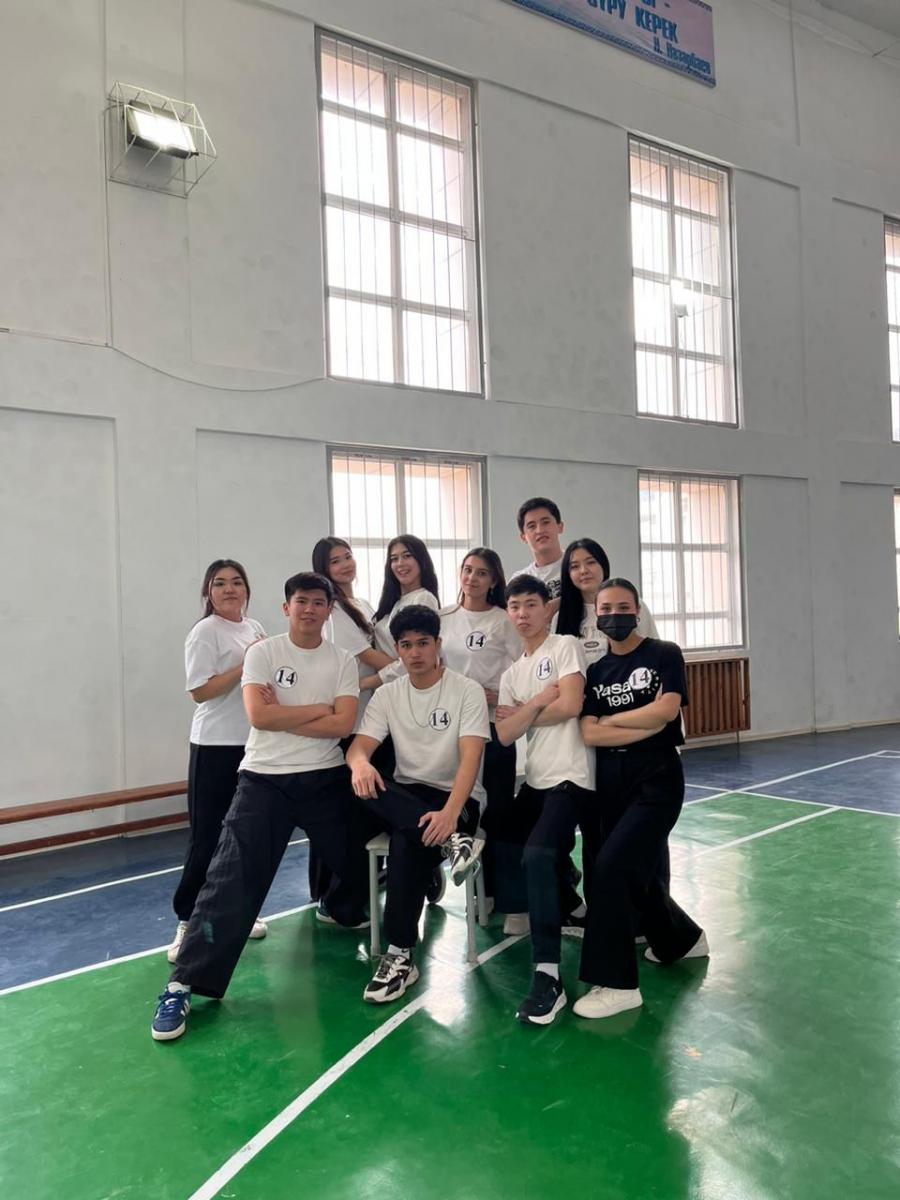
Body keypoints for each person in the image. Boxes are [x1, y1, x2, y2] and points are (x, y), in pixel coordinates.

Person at [150, 572, 367, 1042]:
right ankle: (181, 984)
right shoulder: (263, 653)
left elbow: (343, 724)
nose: (309, 609)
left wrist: (288, 716)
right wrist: (320, 711)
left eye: (318, 602)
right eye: (301, 601)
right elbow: (259, 716)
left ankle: (357, 917)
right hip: (264, 780)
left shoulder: (342, 660)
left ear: (329, 610)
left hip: (324, 779)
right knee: (229, 878)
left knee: (357, 857)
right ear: (286, 608)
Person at [574, 578, 708, 1021]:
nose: (614, 615)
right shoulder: (597, 671)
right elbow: (588, 733)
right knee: (637, 871)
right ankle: (681, 940)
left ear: (637, 610)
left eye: (622, 607)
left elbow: (667, 712)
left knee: (611, 870)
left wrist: (613, 721)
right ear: (597, 615)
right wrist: (639, 723)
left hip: (657, 779)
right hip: (611, 782)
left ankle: (617, 985)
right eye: (605, 608)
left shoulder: (664, 653)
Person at [346, 605, 490, 1004]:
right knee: (357, 782)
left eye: (423, 643)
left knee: (405, 842)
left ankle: (399, 954)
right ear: (397, 649)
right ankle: (452, 846)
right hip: (408, 796)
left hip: (457, 798)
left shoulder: (466, 690)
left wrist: (450, 814)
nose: (415, 653)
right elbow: (359, 747)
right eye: (406, 645)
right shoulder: (388, 694)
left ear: (438, 644)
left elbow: (471, 759)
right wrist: (360, 763)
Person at [495, 576, 596, 1026]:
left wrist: (524, 713)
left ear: (545, 608)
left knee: (537, 854)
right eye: (514, 606)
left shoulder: (565, 646)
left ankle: (548, 974)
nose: (522, 614)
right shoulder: (512, 673)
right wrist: (537, 701)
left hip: (572, 777)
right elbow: (504, 734)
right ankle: (571, 905)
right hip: (536, 780)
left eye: (531, 604)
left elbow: (571, 705)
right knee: (501, 832)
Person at [168, 560, 268, 963]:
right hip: (213, 746)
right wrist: (247, 666)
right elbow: (200, 691)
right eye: (220, 583)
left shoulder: (255, 628)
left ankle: (240, 912)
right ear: (208, 592)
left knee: (244, 835)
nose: (229, 589)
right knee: (207, 837)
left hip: (252, 745)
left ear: (246, 589)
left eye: (237, 582)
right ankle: (187, 919)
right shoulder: (205, 632)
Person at [309, 537, 396, 915]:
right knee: (349, 814)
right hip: (352, 726)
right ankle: (336, 898)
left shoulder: (360, 604)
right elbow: (372, 658)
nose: (346, 564)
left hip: (371, 719)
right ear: (323, 569)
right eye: (336, 561)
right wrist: (413, 664)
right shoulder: (336, 612)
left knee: (365, 812)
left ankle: (358, 885)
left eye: (348, 557)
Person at [438, 549, 522, 923]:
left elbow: (524, 668)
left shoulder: (505, 621)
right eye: (468, 570)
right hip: (452, 728)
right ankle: (479, 891)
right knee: (465, 809)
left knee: (498, 811)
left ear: (493, 580)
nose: (472, 578)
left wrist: (498, 695)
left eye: (482, 573)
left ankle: (508, 898)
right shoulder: (444, 618)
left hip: (492, 728)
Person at [557, 538, 660, 667]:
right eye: (575, 566)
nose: (583, 570)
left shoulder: (630, 605)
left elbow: (653, 652)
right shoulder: (561, 616)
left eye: (591, 562)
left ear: (603, 565)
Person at [372, 535, 440, 655]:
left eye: (407, 556)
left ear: (421, 560)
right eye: (394, 559)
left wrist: (377, 669)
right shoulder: (394, 602)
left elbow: (416, 654)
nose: (400, 563)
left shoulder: (424, 598)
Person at [511, 497, 566, 606]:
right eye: (532, 526)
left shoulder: (577, 566)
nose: (540, 530)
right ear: (523, 537)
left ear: (560, 527)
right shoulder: (519, 580)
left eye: (545, 522)